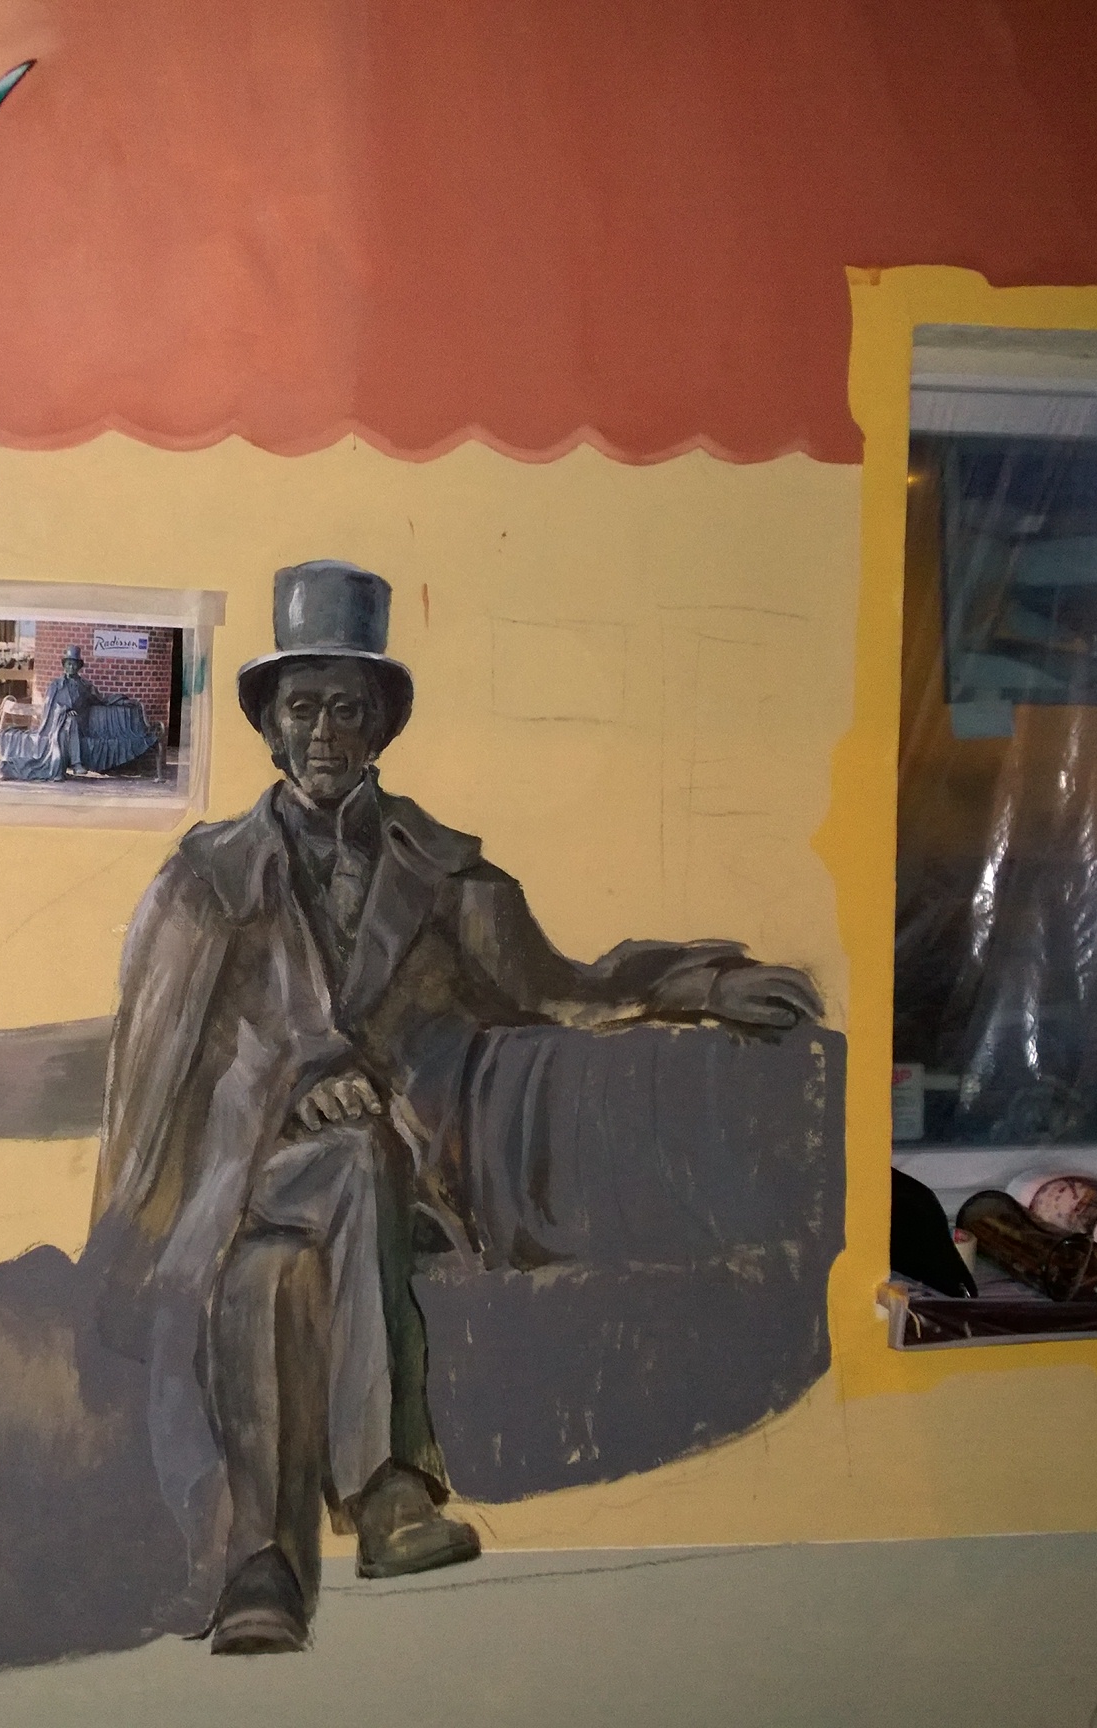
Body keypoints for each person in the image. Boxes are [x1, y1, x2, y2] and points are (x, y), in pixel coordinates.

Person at [87, 561, 823, 1655]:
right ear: (270, 728)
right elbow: (163, 1071)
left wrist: (701, 982)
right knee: (317, 1184)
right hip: (228, 1184)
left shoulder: (441, 875)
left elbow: (561, 988)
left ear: (381, 726)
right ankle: (386, 1489)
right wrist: (293, 1083)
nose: (325, 733)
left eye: (349, 709)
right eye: (303, 708)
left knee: (290, 1252)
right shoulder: (205, 882)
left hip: (378, 1199)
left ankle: (260, 1574)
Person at [0, 645, 160, 781]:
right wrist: (64, 711)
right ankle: (76, 764)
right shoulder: (56, 685)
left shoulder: (85, 686)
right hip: (57, 724)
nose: (71, 667)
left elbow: (101, 700)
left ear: (79, 667)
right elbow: (50, 707)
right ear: (64, 665)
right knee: (68, 724)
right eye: (68, 664)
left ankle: (71, 765)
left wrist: (123, 701)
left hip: (82, 725)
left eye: (74, 664)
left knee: (72, 722)